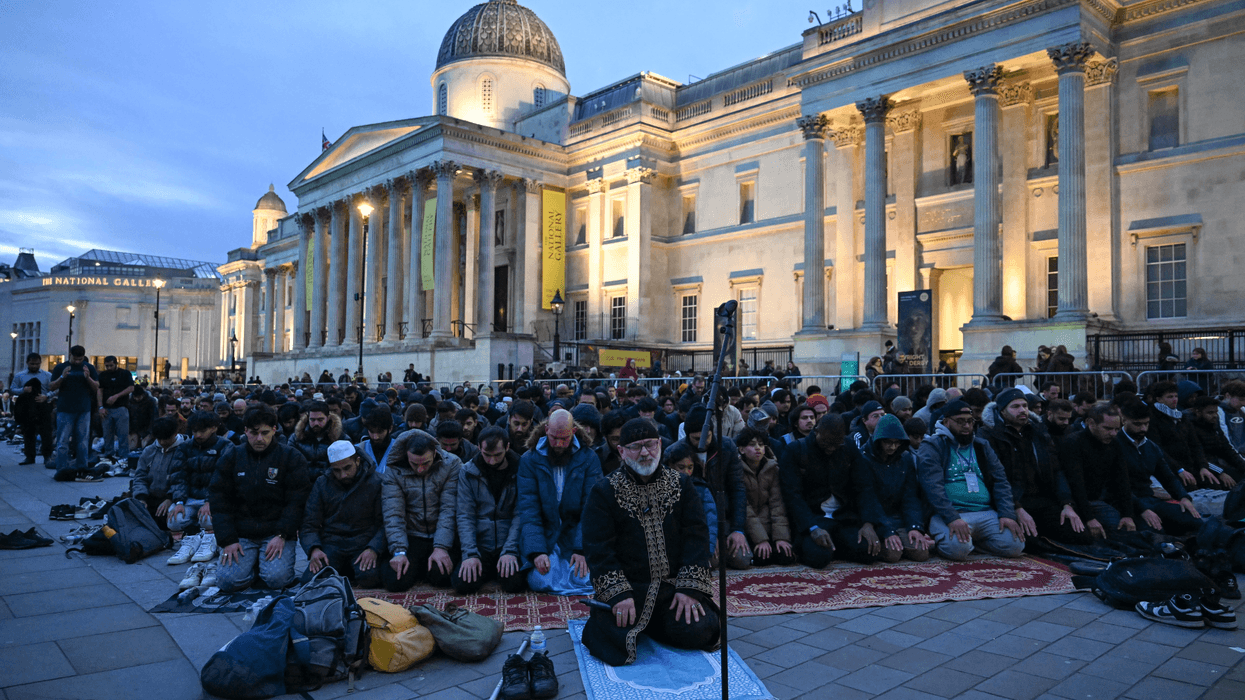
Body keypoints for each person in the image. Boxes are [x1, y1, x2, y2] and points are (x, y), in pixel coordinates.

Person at [580, 418, 719, 667]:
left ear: (659, 445)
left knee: (703, 630)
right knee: (610, 640)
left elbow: (696, 536)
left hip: (671, 590)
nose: (644, 453)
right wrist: (618, 595)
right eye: (635, 446)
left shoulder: (682, 484)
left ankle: (656, 625)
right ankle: (645, 624)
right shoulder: (603, 491)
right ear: (621, 452)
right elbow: (598, 548)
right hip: (629, 591)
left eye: (649, 445)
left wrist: (689, 590)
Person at [210, 406, 312, 592]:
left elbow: (297, 500)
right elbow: (219, 500)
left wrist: (282, 534)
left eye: (265, 433)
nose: (259, 439)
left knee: (277, 579)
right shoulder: (232, 456)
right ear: (246, 431)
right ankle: (252, 566)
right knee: (227, 581)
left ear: (274, 430)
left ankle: (260, 565)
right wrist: (228, 540)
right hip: (241, 533)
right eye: (254, 433)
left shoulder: (290, 457)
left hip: (276, 532)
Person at [915, 400, 1025, 561]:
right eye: (960, 421)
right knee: (958, 550)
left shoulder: (981, 445)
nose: (966, 426)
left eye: (969, 421)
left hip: (985, 511)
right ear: (946, 422)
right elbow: (932, 487)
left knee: (1015, 545)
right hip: (949, 514)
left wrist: (1006, 514)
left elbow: (1000, 481)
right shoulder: (933, 446)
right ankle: (962, 543)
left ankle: (975, 544)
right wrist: (952, 518)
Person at [979, 389, 1090, 546]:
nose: (1022, 410)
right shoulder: (989, 435)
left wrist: (1067, 504)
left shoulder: (1037, 431)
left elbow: (1056, 470)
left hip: (1043, 499)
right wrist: (1015, 508)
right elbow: (992, 477)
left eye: (1024, 405)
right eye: (1015, 406)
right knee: (1031, 544)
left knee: (1081, 536)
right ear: (1002, 410)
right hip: (1013, 502)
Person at [517, 409, 602, 595]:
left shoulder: (589, 458)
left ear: (573, 433)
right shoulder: (529, 460)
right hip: (547, 536)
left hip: (575, 535)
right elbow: (529, 510)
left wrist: (582, 549)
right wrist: (537, 552)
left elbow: (592, 508)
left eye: (564, 439)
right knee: (540, 580)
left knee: (589, 576)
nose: (559, 444)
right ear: (546, 430)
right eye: (555, 438)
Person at [779, 414, 873, 567]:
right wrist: (812, 528)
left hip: (843, 518)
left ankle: (837, 546)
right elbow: (792, 495)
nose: (831, 448)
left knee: (869, 551)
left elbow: (864, 486)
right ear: (817, 432)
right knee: (819, 558)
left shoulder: (848, 447)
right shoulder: (796, 450)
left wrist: (868, 523)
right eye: (826, 443)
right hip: (813, 519)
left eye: (836, 444)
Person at [381, 430, 460, 591]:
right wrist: (399, 551)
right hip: (412, 535)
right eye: (414, 464)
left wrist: (441, 547)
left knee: (441, 575)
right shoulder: (394, 469)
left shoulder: (451, 464)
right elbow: (393, 513)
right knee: (395, 581)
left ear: (435, 453)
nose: (420, 469)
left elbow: (449, 509)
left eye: (425, 463)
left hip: (443, 533)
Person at [301, 440, 386, 588]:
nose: (343, 475)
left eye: (347, 468)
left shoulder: (376, 482)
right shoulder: (322, 483)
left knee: (369, 578)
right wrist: (314, 549)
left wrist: (373, 549)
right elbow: (309, 522)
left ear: (357, 461)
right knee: (311, 582)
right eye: (337, 470)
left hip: (363, 542)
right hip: (332, 543)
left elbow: (385, 523)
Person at [453, 427, 526, 594]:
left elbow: (520, 514)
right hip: (481, 545)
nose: (492, 461)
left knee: (515, 584)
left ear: (507, 447)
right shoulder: (468, 471)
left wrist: (510, 551)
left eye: (497, 455)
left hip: (507, 541)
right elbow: (465, 515)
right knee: (462, 584)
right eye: (487, 455)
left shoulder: (520, 468)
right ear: (479, 447)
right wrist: (470, 554)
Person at [853, 414, 932, 562]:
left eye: (896, 443)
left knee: (921, 552)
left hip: (898, 517)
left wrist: (915, 526)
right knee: (892, 554)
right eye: (888, 442)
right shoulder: (864, 458)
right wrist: (887, 530)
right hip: (874, 519)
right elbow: (869, 498)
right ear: (879, 441)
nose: (893, 447)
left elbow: (910, 495)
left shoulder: (905, 458)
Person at [680, 405, 751, 569]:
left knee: (742, 559)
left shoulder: (726, 447)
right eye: (696, 439)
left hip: (724, 518)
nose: (703, 442)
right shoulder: (677, 452)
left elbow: (738, 489)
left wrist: (738, 529)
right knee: (711, 562)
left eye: (707, 437)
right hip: (696, 524)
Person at [1116, 400, 1202, 535]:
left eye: (1146, 424)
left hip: (1150, 499)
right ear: (1124, 420)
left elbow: (1167, 477)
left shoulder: (1150, 446)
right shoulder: (1115, 445)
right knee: (1155, 532)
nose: (1143, 429)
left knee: (1196, 522)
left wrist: (1184, 497)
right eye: (1137, 424)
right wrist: (1142, 509)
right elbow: (1117, 486)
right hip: (1126, 503)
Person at [166, 411, 231, 564]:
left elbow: (223, 478)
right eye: (195, 431)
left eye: (202, 431)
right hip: (190, 498)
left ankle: (209, 539)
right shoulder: (185, 447)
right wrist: (179, 502)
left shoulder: (226, 446)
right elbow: (178, 476)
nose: (198, 435)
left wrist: (210, 501)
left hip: (214, 499)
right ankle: (194, 537)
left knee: (208, 520)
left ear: (214, 428)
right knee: (174, 521)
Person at [1059, 403, 1133, 534]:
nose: (1113, 433)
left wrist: (1128, 514)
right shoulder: (1073, 443)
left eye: (1117, 429)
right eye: (1108, 428)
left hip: (1099, 499)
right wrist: (1089, 518)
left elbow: (1122, 480)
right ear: (1091, 423)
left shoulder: (1114, 444)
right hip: (1074, 502)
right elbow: (1076, 483)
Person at [735, 427, 794, 567]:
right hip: (746, 527)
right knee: (761, 559)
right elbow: (744, 507)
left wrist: (781, 537)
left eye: (761, 445)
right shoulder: (736, 470)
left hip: (768, 523)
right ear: (741, 449)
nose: (758, 448)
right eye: (752, 444)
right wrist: (761, 539)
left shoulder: (772, 468)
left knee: (785, 556)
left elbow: (777, 504)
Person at [49, 345, 101, 481]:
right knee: (63, 441)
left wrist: (88, 378)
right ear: (70, 355)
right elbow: (51, 386)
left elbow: (96, 387)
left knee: (83, 441)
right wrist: (62, 377)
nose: (77, 362)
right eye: (75, 359)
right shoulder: (61, 367)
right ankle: (61, 469)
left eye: (80, 359)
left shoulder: (89, 367)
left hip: (83, 409)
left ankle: (82, 468)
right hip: (65, 409)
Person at [664, 442, 718, 565]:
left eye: (690, 467)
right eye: (681, 467)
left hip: (695, 540)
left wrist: (708, 550)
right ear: (670, 466)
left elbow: (711, 520)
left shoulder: (701, 488)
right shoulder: (661, 487)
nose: (687, 472)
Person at [133, 417, 184, 527]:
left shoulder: (184, 450)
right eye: (159, 439)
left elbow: (183, 480)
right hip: (149, 496)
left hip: (174, 498)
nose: (162, 442)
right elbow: (140, 476)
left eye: (166, 439)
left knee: (169, 519)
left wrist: (170, 499)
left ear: (175, 434)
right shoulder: (149, 451)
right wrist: (141, 498)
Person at [10, 353, 53, 465]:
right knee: (28, 431)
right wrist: (23, 390)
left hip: (43, 405)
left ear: (40, 363)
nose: (34, 366)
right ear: (27, 363)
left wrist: (46, 396)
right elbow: (13, 389)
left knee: (46, 432)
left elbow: (54, 389)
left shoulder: (47, 375)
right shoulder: (20, 375)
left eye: (37, 364)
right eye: (32, 364)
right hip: (27, 407)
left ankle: (47, 456)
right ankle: (30, 456)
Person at [289, 400, 343, 483]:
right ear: (308, 418)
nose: (316, 423)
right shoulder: (297, 437)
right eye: (312, 420)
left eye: (320, 420)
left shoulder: (339, 437)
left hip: (329, 482)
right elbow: (290, 461)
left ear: (328, 418)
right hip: (301, 482)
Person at [97, 355, 134, 466]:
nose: (109, 368)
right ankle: (109, 455)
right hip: (107, 409)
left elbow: (131, 388)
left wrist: (116, 396)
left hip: (121, 407)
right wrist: (100, 407)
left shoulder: (125, 373)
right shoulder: (103, 375)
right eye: (107, 366)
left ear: (116, 364)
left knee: (123, 434)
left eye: (111, 365)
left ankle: (124, 456)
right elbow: (99, 391)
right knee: (107, 434)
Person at [357, 407, 397, 473]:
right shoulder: (360, 449)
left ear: (390, 429)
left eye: (380, 432)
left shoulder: (399, 448)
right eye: (372, 432)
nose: (375, 437)